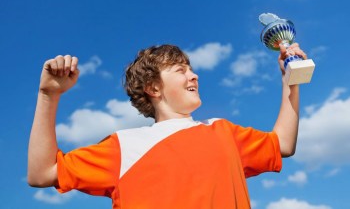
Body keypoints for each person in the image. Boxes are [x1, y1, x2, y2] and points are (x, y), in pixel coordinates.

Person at [28, 43, 306, 209]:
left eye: (191, 68)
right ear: (153, 88)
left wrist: (290, 81)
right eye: (180, 70)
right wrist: (48, 95)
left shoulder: (224, 132)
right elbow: (41, 174)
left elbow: (283, 144)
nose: (194, 75)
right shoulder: (124, 146)